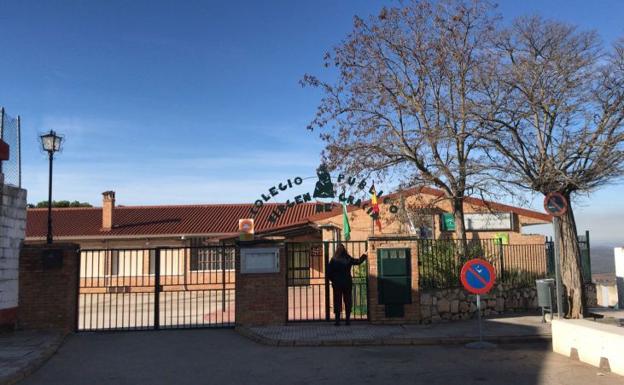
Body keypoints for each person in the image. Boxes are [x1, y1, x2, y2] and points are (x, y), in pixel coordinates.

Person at [326, 243, 367, 326]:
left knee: (337, 301)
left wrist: (333, 280)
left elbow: (328, 272)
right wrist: (365, 255)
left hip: (337, 284)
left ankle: (337, 321)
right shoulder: (347, 258)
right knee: (348, 300)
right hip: (347, 283)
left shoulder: (334, 260)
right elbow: (358, 261)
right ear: (344, 250)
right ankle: (347, 321)